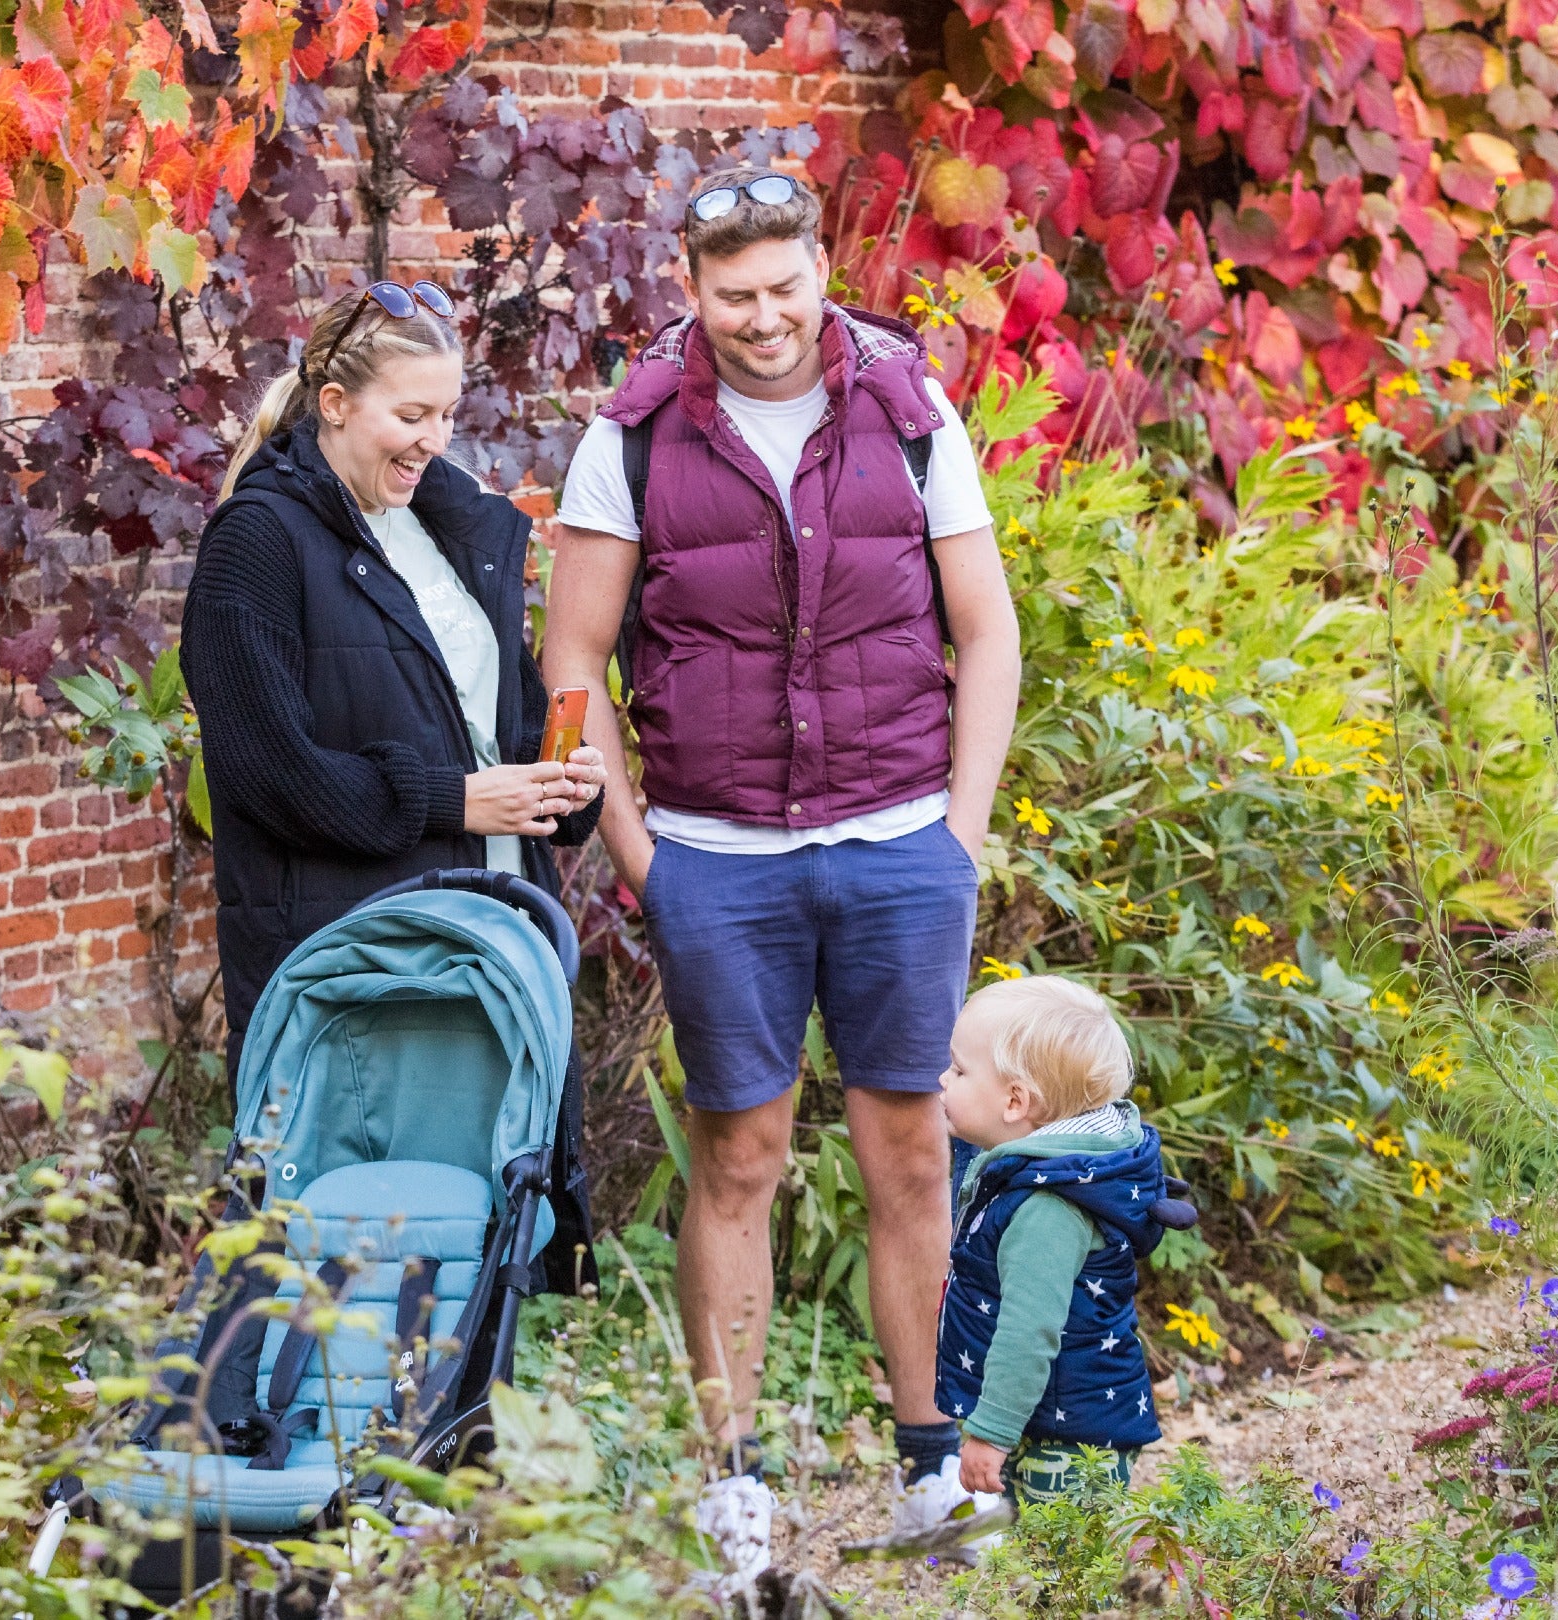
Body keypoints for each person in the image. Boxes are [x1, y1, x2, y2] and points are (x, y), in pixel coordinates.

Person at [540, 166, 1024, 1571]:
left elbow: (986, 633)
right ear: (691, 290)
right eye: (734, 295)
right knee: (737, 1159)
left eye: (786, 288)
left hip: (895, 848)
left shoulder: (908, 407)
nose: (764, 320)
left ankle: (934, 1471)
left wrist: (961, 832)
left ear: (823, 268)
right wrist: (637, 853)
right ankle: (732, 1484)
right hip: (718, 859)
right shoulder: (630, 433)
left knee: (912, 1159)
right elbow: (574, 660)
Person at [184, 279, 608, 1061]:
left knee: (504, 1183)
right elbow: (269, 775)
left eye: (446, 415)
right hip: (354, 972)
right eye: (411, 417)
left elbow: (500, 727)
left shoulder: (453, 532)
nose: (435, 441)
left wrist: (559, 785)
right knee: (357, 1186)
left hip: (500, 949)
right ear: (337, 403)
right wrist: (457, 802)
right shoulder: (258, 541)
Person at [934, 975, 1166, 1510]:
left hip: (1068, 1435)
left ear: (1016, 1101)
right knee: (1050, 1561)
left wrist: (990, 1432)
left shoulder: (1047, 1206)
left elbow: (1029, 1327)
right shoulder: (1031, 1171)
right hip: (1052, 1416)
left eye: (960, 1070)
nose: (943, 1079)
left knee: (1063, 1567)